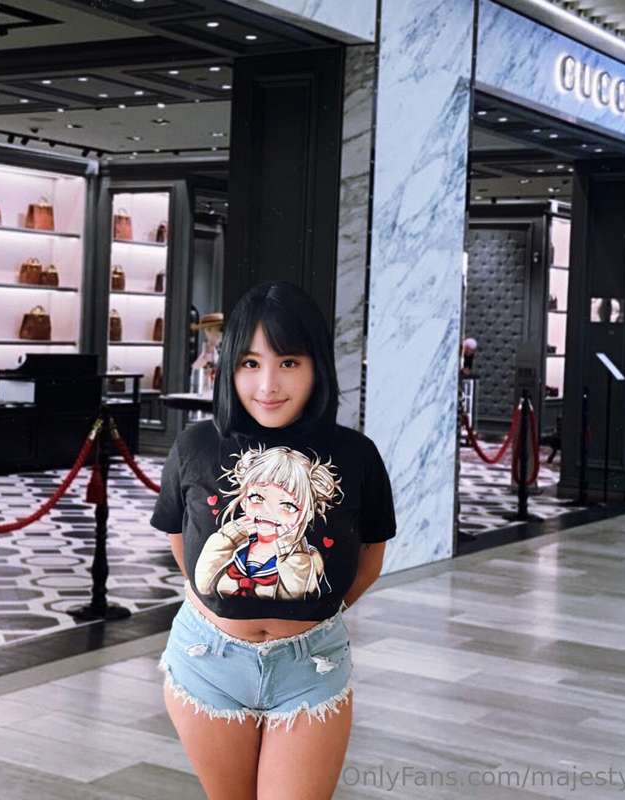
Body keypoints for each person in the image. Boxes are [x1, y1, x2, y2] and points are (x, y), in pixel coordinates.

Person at [150, 280, 397, 800]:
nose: (268, 384)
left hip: (311, 667)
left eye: (288, 362)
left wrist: (314, 610)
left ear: (316, 367)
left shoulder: (357, 455)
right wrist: (216, 595)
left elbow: (371, 557)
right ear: (229, 368)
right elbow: (180, 538)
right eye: (250, 363)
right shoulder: (195, 445)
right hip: (207, 659)